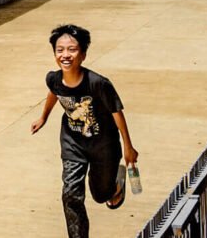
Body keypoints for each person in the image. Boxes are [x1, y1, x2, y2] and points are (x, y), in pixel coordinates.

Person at [32, 24, 139, 238]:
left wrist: (128, 147)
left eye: (72, 49)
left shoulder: (98, 83)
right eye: (60, 50)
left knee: (102, 196)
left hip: (104, 146)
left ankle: (117, 185)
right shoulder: (53, 78)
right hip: (73, 143)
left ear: (83, 55)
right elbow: (54, 92)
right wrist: (43, 116)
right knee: (70, 194)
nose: (65, 55)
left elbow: (117, 112)